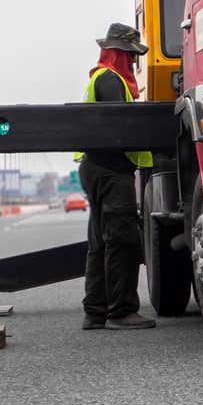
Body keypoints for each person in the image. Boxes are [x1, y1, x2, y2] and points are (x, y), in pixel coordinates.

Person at [76, 22, 155, 330]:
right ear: (120, 55)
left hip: (96, 168)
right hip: (111, 171)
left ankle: (95, 311)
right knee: (122, 240)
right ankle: (121, 310)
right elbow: (122, 128)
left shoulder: (100, 78)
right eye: (131, 57)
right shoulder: (110, 80)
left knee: (99, 242)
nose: (134, 63)